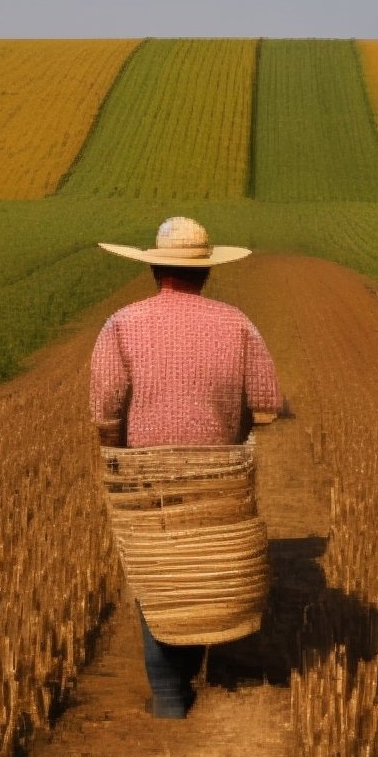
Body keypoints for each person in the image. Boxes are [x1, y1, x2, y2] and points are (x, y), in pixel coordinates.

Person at [89, 216, 283, 717]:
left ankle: (170, 695)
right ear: (207, 273)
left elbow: (106, 408)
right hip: (218, 470)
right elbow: (266, 403)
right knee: (201, 571)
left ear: (154, 268)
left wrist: (118, 453)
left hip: (144, 473)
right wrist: (230, 429)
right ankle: (186, 677)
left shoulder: (122, 323)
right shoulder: (237, 323)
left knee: (158, 573)